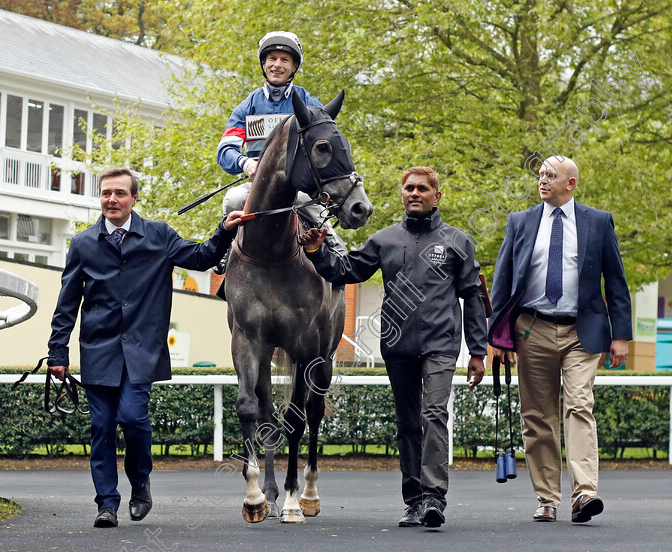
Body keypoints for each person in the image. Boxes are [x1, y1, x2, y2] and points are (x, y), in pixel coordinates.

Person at [47, 167, 244, 528]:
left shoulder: (158, 235)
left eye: (120, 193)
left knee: (132, 417)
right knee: (102, 426)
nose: (112, 200)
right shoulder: (83, 244)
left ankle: (140, 484)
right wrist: (58, 352)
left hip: (142, 350)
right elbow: (67, 302)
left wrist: (224, 230)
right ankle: (106, 503)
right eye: (106, 193)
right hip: (98, 350)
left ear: (134, 198)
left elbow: (200, 258)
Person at [299, 166, 488, 528]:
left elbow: (473, 298)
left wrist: (477, 352)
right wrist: (316, 252)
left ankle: (434, 497)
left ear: (437, 195)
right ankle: (413, 501)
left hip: (441, 344)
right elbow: (346, 272)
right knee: (407, 424)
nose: (414, 193)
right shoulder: (384, 240)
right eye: (409, 188)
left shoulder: (457, 241)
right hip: (397, 346)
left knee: (434, 414)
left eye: (422, 188)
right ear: (401, 194)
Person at [488, 156, 632, 524]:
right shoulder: (519, 222)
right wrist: (497, 337)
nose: (543, 181)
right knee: (537, 415)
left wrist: (622, 336)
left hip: (582, 331)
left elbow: (615, 282)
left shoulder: (598, 222)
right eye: (540, 175)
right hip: (531, 329)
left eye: (551, 176)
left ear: (571, 183)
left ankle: (584, 493)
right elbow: (502, 283)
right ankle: (548, 498)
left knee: (579, 405)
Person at [214, 30, 345, 274]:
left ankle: (336, 247)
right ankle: (224, 250)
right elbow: (225, 150)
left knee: (307, 201)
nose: (277, 65)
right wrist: (245, 163)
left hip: (298, 186)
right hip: (257, 185)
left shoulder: (309, 103)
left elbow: (326, 145)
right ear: (263, 64)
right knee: (233, 199)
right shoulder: (247, 107)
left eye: (285, 60)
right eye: (272, 58)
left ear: (294, 66)